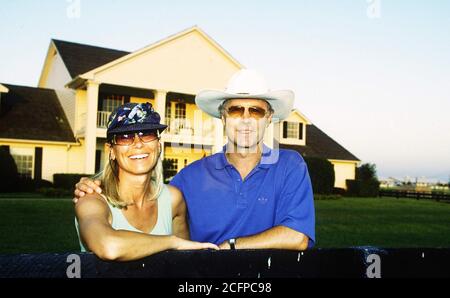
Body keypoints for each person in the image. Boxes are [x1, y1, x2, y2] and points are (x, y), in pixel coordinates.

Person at [74, 69, 315, 251]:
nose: (245, 119)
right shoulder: (189, 178)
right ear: (223, 117)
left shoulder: (290, 165)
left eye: (255, 110)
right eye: (235, 110)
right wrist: (92, 184)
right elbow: (145, 188)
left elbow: (298, 236)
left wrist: (230, 246)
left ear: (268, 117)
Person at [74, 102, 218, 261]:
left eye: (146, 134)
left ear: (159, 145)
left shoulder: (172, 199)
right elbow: (108, 246)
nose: (138, 144)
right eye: (125, 137)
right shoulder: (92, 200)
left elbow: (183, 263)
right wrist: (172, 242)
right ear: (112, 151)